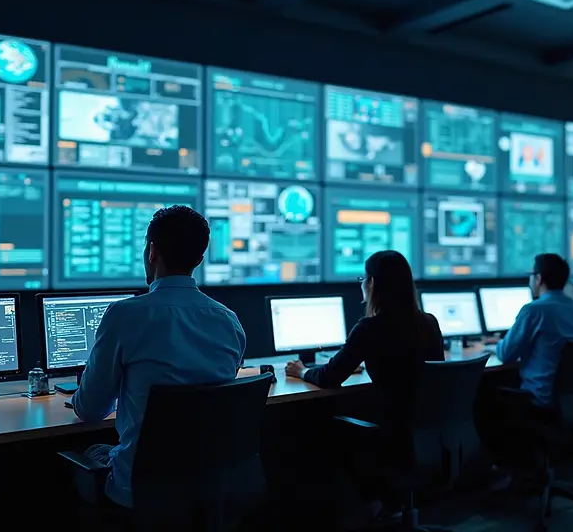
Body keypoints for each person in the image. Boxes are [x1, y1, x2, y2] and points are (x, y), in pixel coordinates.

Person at [72, 205, 247, 509]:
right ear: (199, 259)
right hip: (210, 485)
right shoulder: (229, 321)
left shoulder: (125, 315)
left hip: (139, 488)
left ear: (152, 252)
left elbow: (90, 410)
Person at [285, 250, 443, 423]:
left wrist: (301, 371)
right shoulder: (429, 322)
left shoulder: (370, 328)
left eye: (363, 279)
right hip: (432, 429)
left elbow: (328, 377)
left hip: (394, 432)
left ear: (372, 282)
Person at [497, 253, 573, 408]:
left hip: (538, 401)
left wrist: (500, 341)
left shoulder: (533, 311)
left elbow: (505, 354)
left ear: (539, 279)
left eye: (531, 275)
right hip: (572, 402)